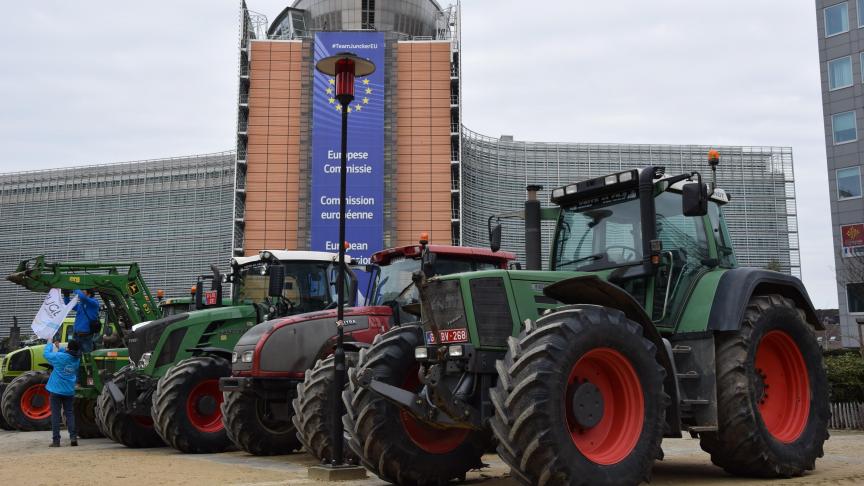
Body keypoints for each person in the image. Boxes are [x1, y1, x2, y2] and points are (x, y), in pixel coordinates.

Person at [44, 339, 81, 447]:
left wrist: (50, 343)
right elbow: (69, 354)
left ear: (68, 348)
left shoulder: (59, 356)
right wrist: (59, 347)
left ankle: (56, 441)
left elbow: (46, 354)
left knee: (55, 415)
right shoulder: (77, 360)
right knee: (69, 414)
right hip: (69, 391)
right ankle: (73, 437)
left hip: (56, 391)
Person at [63, 289, 100, 354]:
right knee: (73, 354)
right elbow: (68, 304)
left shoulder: (94, 303)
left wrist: (76, 289)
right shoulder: (81, 304)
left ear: (89, 293)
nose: (81, 291)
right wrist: (66, 295)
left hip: (86, 335)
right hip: (76, 334)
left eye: (83, 290)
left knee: (87, 355)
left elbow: (83, 297)